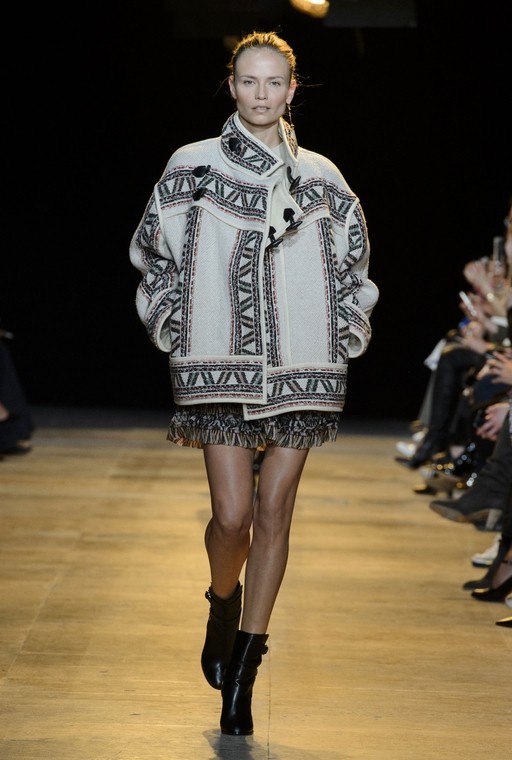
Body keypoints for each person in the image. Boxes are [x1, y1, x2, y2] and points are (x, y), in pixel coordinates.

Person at [129, 31, 378, 735]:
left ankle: (244, 669)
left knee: (275, 514)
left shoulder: (322, 177)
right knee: (233, 517)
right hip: (220, 364)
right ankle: (221, 601)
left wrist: (342, 331)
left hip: (304, 366)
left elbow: (354, 263)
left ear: (292, 90)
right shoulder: (193, 166)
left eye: (274, 82)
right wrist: (176, 324)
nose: (261, 94)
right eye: (249, 81)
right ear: (231, 85)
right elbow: (154, 252)